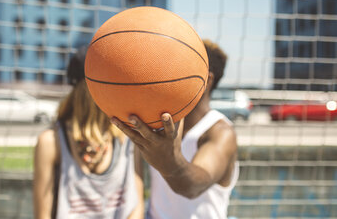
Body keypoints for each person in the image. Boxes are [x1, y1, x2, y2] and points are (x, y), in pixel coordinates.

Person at [111, 39, 239, 219]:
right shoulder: (159, 123)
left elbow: (193, 187)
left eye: (179, 70)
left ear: (205, 80)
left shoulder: (220, 132)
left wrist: (170, 161)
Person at [33, 49, 144, 219]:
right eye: (112, 82)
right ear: (89, 88)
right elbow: (43, 215)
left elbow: (136, 205)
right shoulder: (51, 141)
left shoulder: (127, 135)